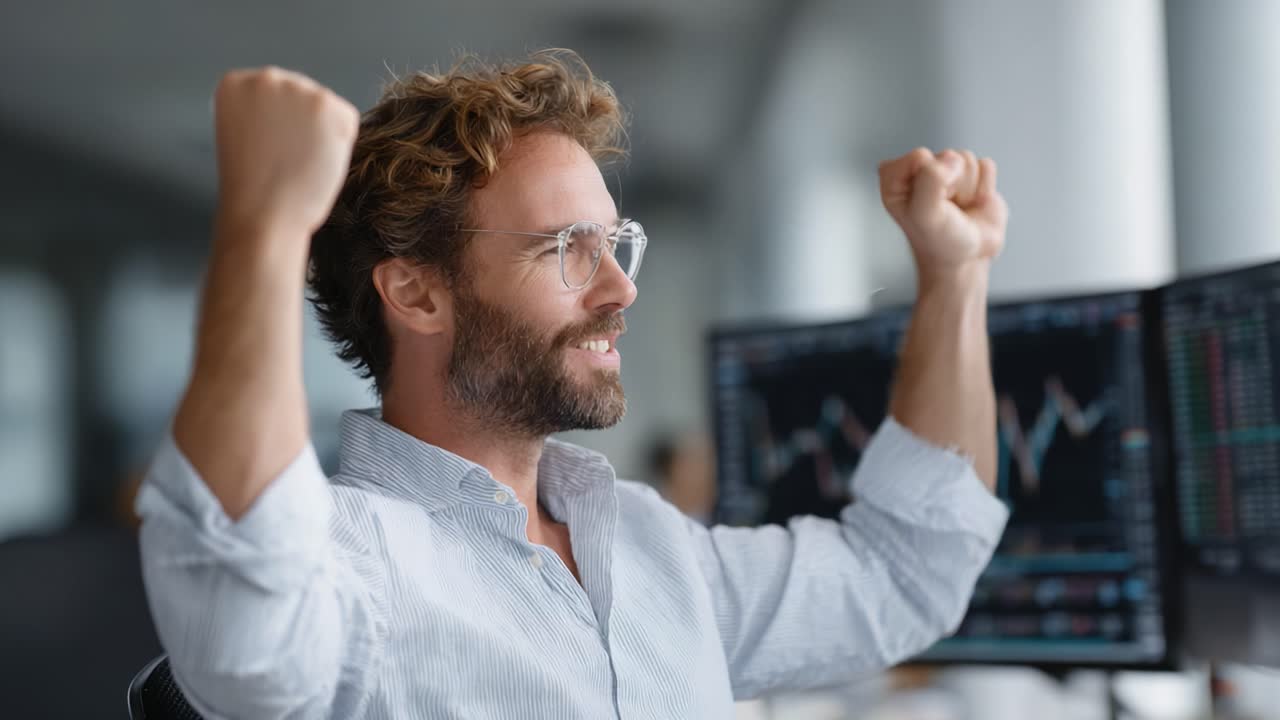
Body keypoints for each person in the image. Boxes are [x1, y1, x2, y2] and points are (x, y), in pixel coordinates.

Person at [135, 50, 1010, 719]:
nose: (620, 288)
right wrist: (264, 221)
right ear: (416, 294)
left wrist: (955, 273)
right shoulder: (353, 566)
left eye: (614, 244)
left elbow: (907, 570)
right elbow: (241, 622)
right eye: (567, 249)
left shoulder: (653, 547)